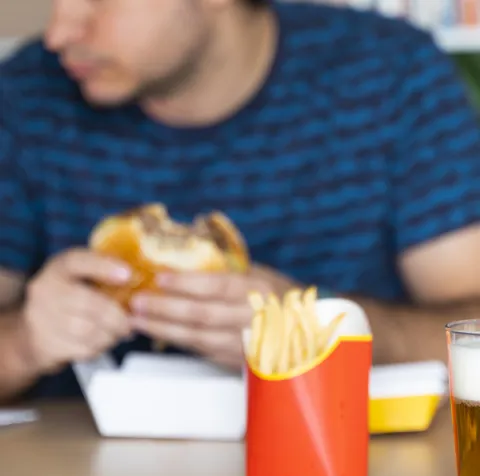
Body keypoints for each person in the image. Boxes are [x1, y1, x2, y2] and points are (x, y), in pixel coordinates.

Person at [0, 0, 479, 401]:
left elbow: (472, 337)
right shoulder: (25, 99)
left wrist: (323, 326)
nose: (59, 33)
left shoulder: (391, 75)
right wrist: (25, 342)